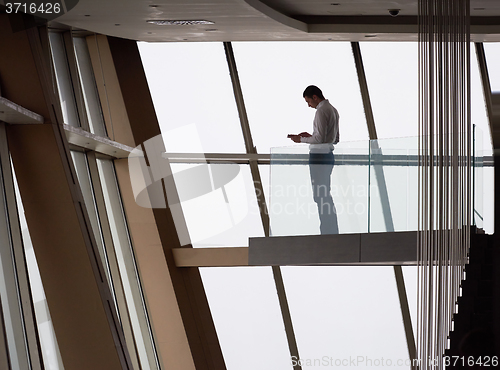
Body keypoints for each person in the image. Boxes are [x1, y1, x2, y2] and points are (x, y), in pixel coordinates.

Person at [288, 85, 339, 234]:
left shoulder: (321, 111)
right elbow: (335, 139)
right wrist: (310, 136)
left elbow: (320, 139)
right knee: (324, 194)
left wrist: (302, 139)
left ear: (315, 97)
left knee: (320, 196)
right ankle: (330, 230)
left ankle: (327, 231)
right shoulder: (333, 110)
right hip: (328, 155)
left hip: (319, 156)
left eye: (308, 101)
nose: (308, 105)